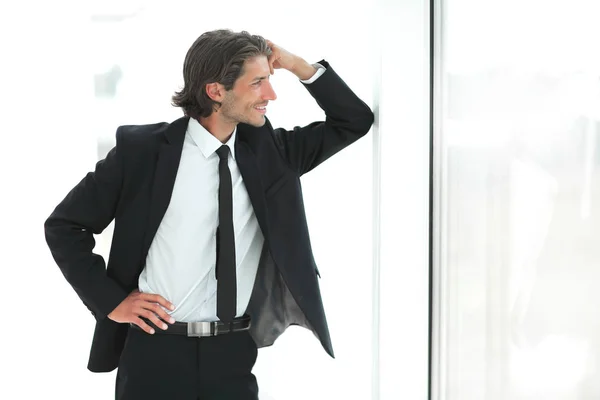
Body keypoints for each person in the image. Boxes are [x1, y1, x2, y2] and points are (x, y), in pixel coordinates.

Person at [44, 29, 374, 400]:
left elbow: (353, 121)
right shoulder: (142, 153)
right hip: (154, 353)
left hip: (232, 353)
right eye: (259, 83)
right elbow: (64, 226)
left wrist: (297, 65)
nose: (271, 94)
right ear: (216, 92)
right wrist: (113, 302)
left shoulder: (274, 154)